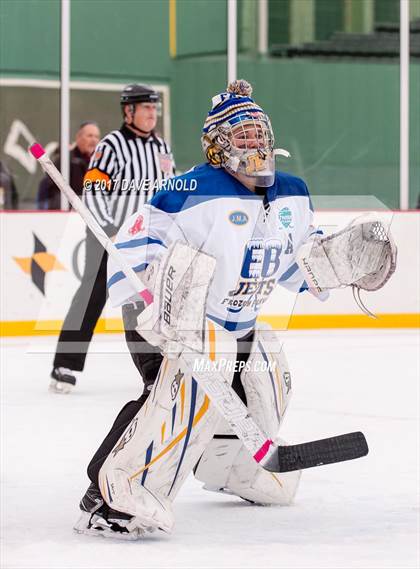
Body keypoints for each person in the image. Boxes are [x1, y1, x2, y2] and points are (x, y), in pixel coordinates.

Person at [73, 80, 396, 539]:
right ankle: (107, 496)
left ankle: (233, 468)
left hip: (235, 324)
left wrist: (343, 263)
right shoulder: (186, 189)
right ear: (216, 145)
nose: (254, 143)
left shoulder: (291, 193)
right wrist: (155, 296)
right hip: (165, 317)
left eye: (258, 133)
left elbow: (297, 265)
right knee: (177, 396)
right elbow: (132, 247)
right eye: (240, 135)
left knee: (263, 372)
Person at [50, 84, 175, 393]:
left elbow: (171, 186)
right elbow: (94, 188)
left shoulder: (162, 148)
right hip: (110, 234)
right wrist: (108, 229)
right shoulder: (111, 145)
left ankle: (156, 369)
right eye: (145, 107)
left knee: (151, 300)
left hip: (149, 238)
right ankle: (65, 363)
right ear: (128, 111)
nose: (151, 113)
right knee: (92, 294)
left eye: (153, 107)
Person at [37, 122, 101, 210]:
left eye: (96, 137)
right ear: (78, 138)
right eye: (90, 136)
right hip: (68, 216)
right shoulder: (65, 160)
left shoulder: (102, 163)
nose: (94, 140)